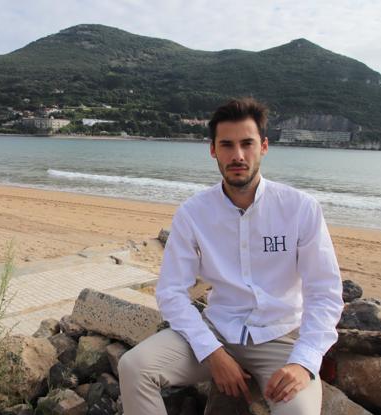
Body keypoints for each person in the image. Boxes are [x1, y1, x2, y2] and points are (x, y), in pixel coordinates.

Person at [118, 98, 344, 415]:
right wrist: (212, 352)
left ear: (264, 146)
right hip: (217, 330)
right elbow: (171, 292)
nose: (237, 155)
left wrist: (304, 362)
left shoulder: (299, 208)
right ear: (213, 150)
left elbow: (325, 293)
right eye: (227, 145)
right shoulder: (193, 213)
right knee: (134, 366)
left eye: (247, 143)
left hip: (279, 338)